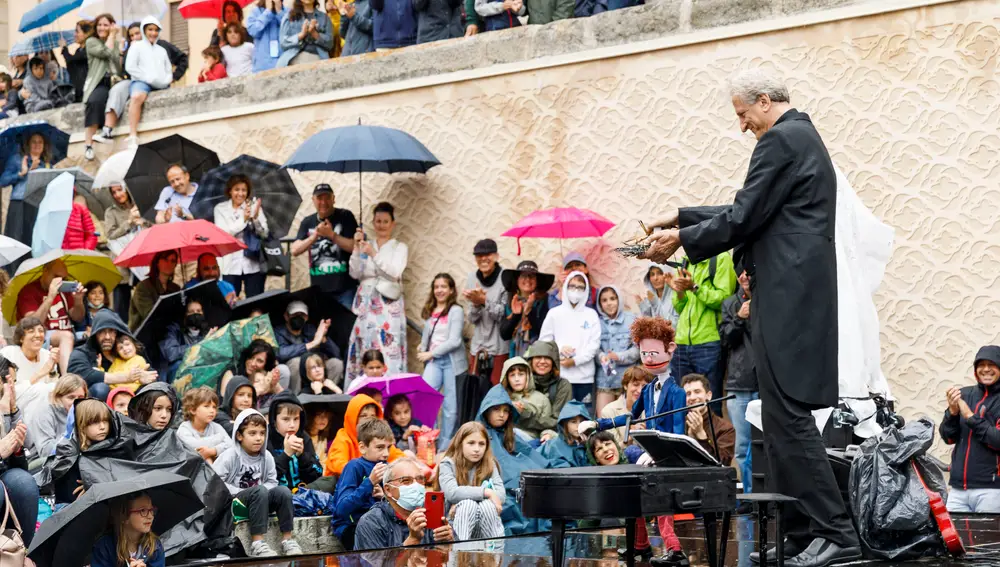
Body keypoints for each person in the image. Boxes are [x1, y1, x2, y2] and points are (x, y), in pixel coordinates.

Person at [640, 68, 861, 567]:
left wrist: (683, 239)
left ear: (764, 101)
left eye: (742, 114)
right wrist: (682, 216)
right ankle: (805, 531)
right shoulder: (800, 138)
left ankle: (835, 533)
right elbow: (754, 210)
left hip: (786, 300)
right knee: (780, 423)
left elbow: (744, 216)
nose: (741, 126)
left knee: (787, 417)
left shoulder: (781, 141)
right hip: (792, 299)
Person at [578, 317, 687, 564]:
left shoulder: (677, 393)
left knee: (660, 502)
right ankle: (641, 545)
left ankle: (675, 550)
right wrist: (598, 424)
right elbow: (630, 417)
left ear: (669, 350)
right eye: (644, 353)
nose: (648, 358)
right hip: (651, 456)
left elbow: (678, 432)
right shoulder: (648, 390)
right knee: (633, 493)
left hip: (670, 458)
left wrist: (661, 452)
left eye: (654, 352)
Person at [212, 408, 303, 557]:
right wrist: (240, 491)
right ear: (240, 435)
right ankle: (258, 543)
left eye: (262, 433)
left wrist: (262, 491)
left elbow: (272, 481)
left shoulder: (266, 456)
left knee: (283, 491)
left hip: (259, 500)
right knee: (259, 490)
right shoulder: (230, 455)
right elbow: (215, 483)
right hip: (235, 502)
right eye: (252, 433)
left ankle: (288, 540)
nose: (259, 438)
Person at [346, 201, 408, 381]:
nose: (381, 225)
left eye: (385, 221)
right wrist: (357, 249)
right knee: (365, 345)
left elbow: (395, 272)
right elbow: (354, 272)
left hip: (388, 304)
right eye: (378, 221)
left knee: (388, 346)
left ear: (392, 223)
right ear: (373, 223)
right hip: (365, 303)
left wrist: (374, 254)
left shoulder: (399, 247)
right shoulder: (365, 244)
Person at [476, 384, 549, 535]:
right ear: (486, 410)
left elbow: (533, 457)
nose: (501, 414)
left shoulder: (510, 434)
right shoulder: (476, 434)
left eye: (506, 411)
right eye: (496, 409)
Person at [668, 254, 736, 415]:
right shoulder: (686, 261)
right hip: (682, 342)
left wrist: (694, 287)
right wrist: (679, 292)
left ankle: (710, 439)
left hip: (709, 342)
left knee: (709, 403)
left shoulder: (720, 259)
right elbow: (679, 307)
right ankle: (684, 440)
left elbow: (725, 300)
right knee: (682, 403)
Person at [941, 345, 1000, 513]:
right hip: (958, 490)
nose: (986, 369)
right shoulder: (964, 395)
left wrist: (970, 417)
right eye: (981, 365)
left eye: (992, 364)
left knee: (986, 540)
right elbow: (948, 438)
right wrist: (952, 414)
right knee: (953, 539)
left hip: (992, 491)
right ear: (975, 370)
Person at [353, 457, 455, 549]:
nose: (416, 485)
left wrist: (448, 545)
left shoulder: (432, 514)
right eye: (406, 481)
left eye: (420, 480)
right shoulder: (371, 522)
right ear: (388, 490)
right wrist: (413, 540)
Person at [538, 271, 601, 409]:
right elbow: (544, 342)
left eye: (580, 287)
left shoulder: (591, 315)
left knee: (584, 420)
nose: (576, 290)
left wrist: (575, 361)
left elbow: (594, 346)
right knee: (560, 416)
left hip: (584, 378)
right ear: (565, 287)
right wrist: (559, 349)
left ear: (586, 290)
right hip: (559, 377)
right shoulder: (554, 313)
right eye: (572, 286)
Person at [418, 273, 466, 448]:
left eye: (443, 286)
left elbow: (455, 341)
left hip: (451, 361)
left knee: (450, 405)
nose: (439, 290)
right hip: (434, 362)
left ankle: (446, 446)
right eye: (436, 287)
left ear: (451, 290)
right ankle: (431, 439)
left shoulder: (456, 310)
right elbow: (427, 333)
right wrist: (423, 348)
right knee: (425, 398)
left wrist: (431, 353)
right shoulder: (431, 310)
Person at [292, 184, 358, 310]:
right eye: (319, 198)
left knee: (347, 328)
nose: (323, 202)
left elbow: (353, 247)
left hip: (345, 290)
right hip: (319, 291)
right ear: (313, 200)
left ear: (333, 198)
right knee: (323, 328)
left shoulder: (345, 216)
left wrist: (332, 235)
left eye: (327, 197)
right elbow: (294, 250)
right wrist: (314, 236)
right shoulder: (308, 222)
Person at [434, 421, 505, 541]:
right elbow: (452, 493)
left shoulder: (490, 463)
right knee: (467, 505)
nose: (477, 449)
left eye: (481, 444)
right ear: (460, 443)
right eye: (471, 443)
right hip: (454, 526)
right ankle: (460, 555)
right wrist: (487, 492)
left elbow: (501, 496)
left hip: (486, 522)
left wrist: (461, 500)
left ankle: (493, 553)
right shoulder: (448, 463)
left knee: (487, 506)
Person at [720, 267, 757, 491]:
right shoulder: (730, 304)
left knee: (766, 446)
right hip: (739, 385)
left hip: (766, 384)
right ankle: (751, 496)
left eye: (748, 272)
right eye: (739, 273)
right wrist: (739, 317)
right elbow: (725, 340)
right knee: (742, 447)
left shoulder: (770, 300)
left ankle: (767, 495)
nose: (744, 276)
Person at [15, 258, 85, 375]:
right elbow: (32, 324)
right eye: (57, 276)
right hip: (40, 336)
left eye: (64, 278)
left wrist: (78, 301)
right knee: (66, 336)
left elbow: (78, 317)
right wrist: (50, 297)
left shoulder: (65, 290)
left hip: (66, 339)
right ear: (45, 271)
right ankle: (67, 381)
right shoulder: (28, 291)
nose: (61, 281)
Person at [69, 310, 157, 400]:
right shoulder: (82, 352)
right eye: (102, 331)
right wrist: (126, 377)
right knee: (100, 389)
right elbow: (79, 374)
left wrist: (144, 381)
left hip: (131, 401)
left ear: (116, 333)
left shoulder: (126, 349)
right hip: (98, 406)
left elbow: (150, 374)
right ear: (95, 333)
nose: (107, 336)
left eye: (111, 331)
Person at [333, 418, 393, 549]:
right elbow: (342, 509)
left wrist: (383, 497)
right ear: (362, 447)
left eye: (389, 447)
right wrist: (369, 482)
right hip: (351, 526)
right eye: (380, 447)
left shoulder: (388, 467)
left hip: (379, 524)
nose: (386, 454)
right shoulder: (354, 467)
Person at [212, 175, 268, 299]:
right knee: (230, 303)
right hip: (229, 264)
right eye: (237, 189)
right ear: (230, 191)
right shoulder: (220, 209)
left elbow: (264, 233)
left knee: (256, 302)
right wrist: (243, 220)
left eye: (244, 190)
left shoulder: (254, 207)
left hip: (253, 262)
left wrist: (255, 219)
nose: (240, 193)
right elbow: (224, 234)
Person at [323, 393, 405, 477]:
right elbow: (338, 464)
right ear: (353, 417)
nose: (369, 419)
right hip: (342, 483)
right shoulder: (343, 437)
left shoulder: (378, 437)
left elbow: (398, 456)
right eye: (364, 416)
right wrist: (365, 471)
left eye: (373, 416)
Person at [463, 239, 508, 384]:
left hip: (499, 347)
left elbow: (503, 315)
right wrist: (476, 305)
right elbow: (471, 318)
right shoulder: (471, 278)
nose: (483, 259)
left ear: (496, 256)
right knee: (475, 392)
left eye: (487, 254)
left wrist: (484, 301)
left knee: (497, 391)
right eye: (479, 255)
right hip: (478, 346)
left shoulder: (505, 278)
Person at [124, 16, 173, 146]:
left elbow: (168, 70)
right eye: (150, 29)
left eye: (156, 30)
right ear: (144, 30)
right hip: (141, 82)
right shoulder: (136, 47)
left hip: (161, 84)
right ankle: (133, 135)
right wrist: (147, 78)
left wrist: (165, 81)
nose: (153, 33)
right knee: (137, 97)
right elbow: (130, 67)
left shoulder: (162, 50)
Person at [103, 182, 149, 321]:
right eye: (114, 192)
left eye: (120, 190)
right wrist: (128, 222)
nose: (117, 195)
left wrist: (143, 222)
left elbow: (152, 227)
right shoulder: (111, 212)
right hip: (122, 262)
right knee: (122, 304)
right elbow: (110, 235)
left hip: (141, 259)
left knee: (144, 299)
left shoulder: (140, 206)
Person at [275, 300, 343, 393]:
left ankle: (326, 395)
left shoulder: (310, 329)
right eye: (295, 315)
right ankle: (296, 400)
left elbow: (336, 353)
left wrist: (323, 338)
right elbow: (281, 353)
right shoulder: (279, 332)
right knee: (296, 362)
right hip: (295, 370)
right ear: (286, 316)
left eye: (302, 315)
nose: (298, 318)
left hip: (314, 368)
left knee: (336, 363)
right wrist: (312, 344)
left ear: (306, 317)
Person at [1, 133, 51, 253]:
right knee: (16, 240)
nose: (37, 145)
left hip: (37, 205)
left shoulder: (47, 164)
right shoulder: (17, 159)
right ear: (28, 144)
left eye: (40, 142)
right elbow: (3, 180)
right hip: (19, 203)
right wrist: (23, 173)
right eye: (34, 141)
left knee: (33, 241)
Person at [267, 391, 327, 490]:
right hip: (278, 496)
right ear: (274, 420)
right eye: (286, 419)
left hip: (302, 492)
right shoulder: (266, 439)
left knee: (330, 481)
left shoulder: (304, 437)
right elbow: (266, 478)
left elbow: (317, 475)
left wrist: (302, 456)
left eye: (296, 419)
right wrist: (286, 455)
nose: (292, 425)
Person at [81, 13, 121, 161]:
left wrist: (119, 50)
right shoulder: (91, 42)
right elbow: (105, 53)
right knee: (94, 102)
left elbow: (117, 64)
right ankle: (88, 145)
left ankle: (107, 131)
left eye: (106, 24)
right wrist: (112, 36)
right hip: (99, 83)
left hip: (115, 81)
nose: (102, 28)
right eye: (99, 25)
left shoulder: (116, 44)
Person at [1, 317, 58, 419]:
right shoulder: (8, 354)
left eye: (41, 331)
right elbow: (9, 391)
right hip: (14, 408)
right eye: (31, 331)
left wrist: (52, 370)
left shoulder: (47, 355)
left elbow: (54, 386)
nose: (37, 335)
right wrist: (41, 373)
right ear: (21, 338)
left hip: (44, 407)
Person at [596, 285, 639, 417]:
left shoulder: (631, 319)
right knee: (603, 419)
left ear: (619, 299)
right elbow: (593, 347)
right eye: (604, 300)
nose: (609, 303)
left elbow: (638, 349)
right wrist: (601, 356)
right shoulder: (596, 322)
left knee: (627, 418)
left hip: (626, 379)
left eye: (612, 299)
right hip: (605, 380)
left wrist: (619, 356)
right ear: (599, 303)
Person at [91, 492, 165, 567]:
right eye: (143, 510)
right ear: (124, 516)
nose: (150, 516)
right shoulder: (105, 547)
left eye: (151, 509)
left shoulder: (154, 546)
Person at [499, 261, 554, 358]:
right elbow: (504, 335)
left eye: (532, 276)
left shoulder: (545, 300)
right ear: (517, 280)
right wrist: (516, 315)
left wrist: (529, 311)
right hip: (515, 355)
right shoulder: (511, 300)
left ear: (537, 281)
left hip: (538, 355)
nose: (528, 279)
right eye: (523, 276)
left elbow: (544, 332)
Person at [680, 373, 735, 465]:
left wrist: (701, 435)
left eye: (697, 392)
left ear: (708, 396)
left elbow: (723, 463)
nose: (692, 397)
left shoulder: (725, 428)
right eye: (688, 394)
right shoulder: (678, 423)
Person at [30, 374, 86, 461]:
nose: (76, 402)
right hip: (43, 462)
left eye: (81, 397)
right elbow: (45, 450)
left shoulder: (85, 411)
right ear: (58, 397)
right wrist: (70, 438)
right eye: (71, 397)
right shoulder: (44, 412)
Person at [525, 341, 571, 442]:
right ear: (531, 361)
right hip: (523, 432)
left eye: (547, 358)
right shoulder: (522, 382)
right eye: (538, 357)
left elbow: (558, 420)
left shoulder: (563, 385)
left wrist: (526, 418)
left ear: (553, 362)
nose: (542, 361)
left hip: (551, 433)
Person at [498, 356, 550, 441]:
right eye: (512, 375)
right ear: (506, 379)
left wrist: (548, 434)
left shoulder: (542, 399)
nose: (517, 379)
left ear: (528, 376)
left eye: (521, 374)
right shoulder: (500, 397)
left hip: (531, 441)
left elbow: (548, 425)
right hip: (503, 438)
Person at [177, 387, 233, 464]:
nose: (212, 411)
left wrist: (213, 451)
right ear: (193, 410)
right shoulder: (184, 428)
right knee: (206, 459)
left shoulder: (216, 426)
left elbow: (231, 445)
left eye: (214, 407)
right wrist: (218, 438)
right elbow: (193, 446)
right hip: (191, 467)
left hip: (217, 464)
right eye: (206, 406)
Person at [159, 298, 210, 380]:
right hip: (179, 374)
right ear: (185, 314)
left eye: (198, 311)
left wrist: (213, 340)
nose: (196, 314)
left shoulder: (208, 331)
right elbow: (171, 354)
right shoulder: (174, 330)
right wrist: (200, 344)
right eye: (191, 312)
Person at [600, 365, 652, 445]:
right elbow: (613, 448)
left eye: (644, 386)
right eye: (635, 384)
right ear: (625, 385)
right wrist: (631, 436)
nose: (640, 390)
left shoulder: (653, 408)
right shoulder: (608, 411)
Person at [128, 250, 180, 329]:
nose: (169, 264)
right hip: (143, 333)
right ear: (157, 263)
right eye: (165, 259)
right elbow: (150, 316)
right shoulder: (143, 287)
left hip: (170, 331)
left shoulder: (175, 288)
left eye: (173, 261)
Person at [278, 0, 334, 66]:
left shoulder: (324, 18)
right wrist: (301, 35)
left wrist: (315, 34)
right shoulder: (289, 16)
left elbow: (330, 44)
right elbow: (283, 43)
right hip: (293, 59)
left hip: (318, 59)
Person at [539, 400, 590, 468]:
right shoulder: (554, 446)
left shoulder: (590, 442)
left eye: (582, 421)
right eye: (573, 422)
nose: (579, 425)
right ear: (564, 424)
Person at [246, 0, 288, 72]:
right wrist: (268, 12)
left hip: (283, 63)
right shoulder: (256, 12)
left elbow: (290, 31)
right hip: (262, 65)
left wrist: (279, 11)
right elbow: (253, 31)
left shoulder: (287, 11)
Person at [60, 21, 90, 103]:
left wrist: (65, 49)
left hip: (87, 90)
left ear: (86, 34)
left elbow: (72, 60)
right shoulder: (78, 50)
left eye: (77, 31)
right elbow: (71, 66)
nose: (75, 35)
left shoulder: (89, 49)